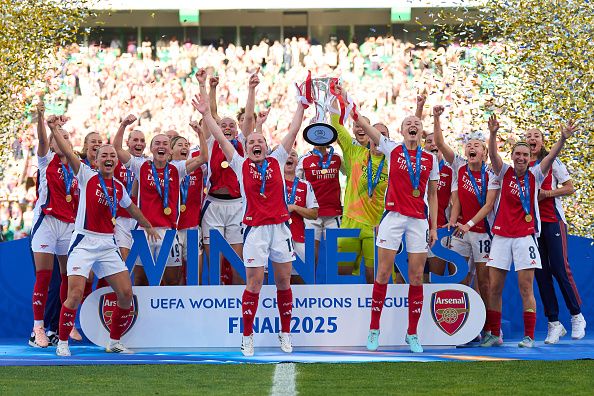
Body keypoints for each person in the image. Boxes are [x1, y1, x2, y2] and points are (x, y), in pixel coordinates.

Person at [193, 87, 305, 356]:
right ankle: (247, 335)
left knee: (283, 282)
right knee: (253, 283)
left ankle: (285, 332)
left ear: (267, 146)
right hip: (254, 231)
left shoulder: (278, 160)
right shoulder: (240, 164)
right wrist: (207, 114)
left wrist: (302, 105)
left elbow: (292, 130)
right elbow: (220, 137)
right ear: (246, 146)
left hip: (280, 229)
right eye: (252, 141)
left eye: (261, 141)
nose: (257, 144)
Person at [46, 115, 159, 356]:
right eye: (104, 156)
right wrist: (54, 129)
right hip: (84, 241)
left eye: (112, 156)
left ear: (117, 162)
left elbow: (131, 208)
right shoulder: (85, 175)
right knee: (74, 294)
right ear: (95, 161)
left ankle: (114, 341)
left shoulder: (118, 186)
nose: (109, 158)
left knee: (126, 294)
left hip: (108, 244)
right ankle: (63, 342)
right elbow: (67, 149)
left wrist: (147, 224)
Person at [482, 115, 577, 348]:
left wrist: (562, 140)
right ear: (513, 157)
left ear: (529, 158)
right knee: (494, 287)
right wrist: (493, 134)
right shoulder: (503, 172)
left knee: (526, 287)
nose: (522, 158)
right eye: (518, 154)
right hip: (502, 237)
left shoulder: (536, 174)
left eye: (525, 154)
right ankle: (494, 334)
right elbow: (493, 156)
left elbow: (551, 156)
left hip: (525, 237)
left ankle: (529, 336)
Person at [355, 104, 439, 353]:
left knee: (416, 277)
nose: (413, 126)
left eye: (417, 124)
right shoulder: (391, 149)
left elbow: (432, 195)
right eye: (408, 124)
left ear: (422, 131)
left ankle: (412, 333)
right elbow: (368, 128)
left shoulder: (430, 159)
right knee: (383, 274)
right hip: (392, 216)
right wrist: (349, 104)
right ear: (401, 132)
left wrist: (433, 227)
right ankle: (374, 329)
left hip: (418, 220)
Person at [113, 115, 208, 286]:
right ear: (151, 149)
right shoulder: (141, 165)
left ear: (170, 151)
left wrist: (200, 133)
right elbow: (118, 150)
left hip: (168, 233)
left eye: (165, 143)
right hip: (144, 231)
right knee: (141, 280)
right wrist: (123, 125)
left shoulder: (176, 169)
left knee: (171, 280)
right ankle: (141, 312)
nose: (161, 146)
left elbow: (203, 158)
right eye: (157, 143)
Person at [432, 105, 499, 331]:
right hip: (461, 231)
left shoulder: (492, 174)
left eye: (476, 146)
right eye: (468, 145)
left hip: (483, 233)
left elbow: (489, 205)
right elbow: (440, 144)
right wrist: (436, 118)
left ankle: (489, 328)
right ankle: (463, 327)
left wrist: (468, 224)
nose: (471, 148)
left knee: (484, 282)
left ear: (484, 153)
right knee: (458, 277)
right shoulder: (460, 165)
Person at [196, 68, 258, 285]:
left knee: (238, 261)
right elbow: (210, 112)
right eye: (223, 125)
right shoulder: (213, 141)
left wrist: (252, 90)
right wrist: (208, 87)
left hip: (237, 206)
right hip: (213, 205)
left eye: (232, 125)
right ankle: (216, 304)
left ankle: (239, 302)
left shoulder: (243, 142)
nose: (228, 127)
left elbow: (249, 116)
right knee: (216, 263)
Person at [526, 128, 586, 343]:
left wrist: (547, 194)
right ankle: (554, 323)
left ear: (542, 141)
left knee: (560, 270)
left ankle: (576, 316)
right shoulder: (522, 165)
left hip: (553, 221)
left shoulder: (553, 161)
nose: (532, 139)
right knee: (541, 275)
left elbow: (569, 188)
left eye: (536, 136)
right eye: (529, 137)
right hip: (532, 227)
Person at [29, 100, 78, 348]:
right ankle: (38, 329)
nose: (62, 140)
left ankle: (61, 328)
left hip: (68, 226)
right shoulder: (46, 160)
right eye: (58, 137)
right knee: (44, 277)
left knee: (68, 278)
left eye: (66, 137)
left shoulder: (77, 167)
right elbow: (41, 141)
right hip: (46, 222)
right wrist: (43, 120)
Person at [330, 87, 389, 284]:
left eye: (383, 135)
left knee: (375, 279)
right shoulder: (355, 152)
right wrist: (334, 97)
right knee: (342, 275)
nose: (378, 137)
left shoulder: (393, 162)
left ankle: (375, 314)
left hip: (377, 226)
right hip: (351, 222)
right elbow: (337, 127)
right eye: (376, 133)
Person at [296, 143, 343, 266]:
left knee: (336, 255)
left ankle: (334, 285)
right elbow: (296, 183)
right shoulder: (304, 160)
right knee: (311, 255)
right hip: (312, 214)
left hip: (333, 214)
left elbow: (350, 172)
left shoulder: (337, 157)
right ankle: (311, 284)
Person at [171, 132, 207, 285]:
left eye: (186, 145)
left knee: (195, 276)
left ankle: (195, 307)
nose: (184, 147)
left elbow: (206, 156)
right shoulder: (166, 169)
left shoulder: (199, 167)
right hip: (173, 230)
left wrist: (200, 133)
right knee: (175, 278)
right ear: (170, 151)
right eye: (180, 145)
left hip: (192, 228)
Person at [283, 148, 318, 283]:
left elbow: (314, 213)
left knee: (300, 279)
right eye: (286, 154)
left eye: (293, 155)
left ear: (297, 161)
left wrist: (295, 208)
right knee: (274, 278)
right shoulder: (270, 183)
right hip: (275, 238)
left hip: (298, 237)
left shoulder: (305, 185)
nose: (289, 157)